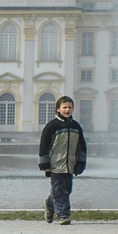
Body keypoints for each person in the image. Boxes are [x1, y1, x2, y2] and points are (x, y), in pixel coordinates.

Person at [38, 96, 87, 225]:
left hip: (70, 164)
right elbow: (44, 146)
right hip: (56, 164)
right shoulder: (52, 126)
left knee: (67, 189)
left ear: (73, 109)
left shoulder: (76, 126)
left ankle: (49, 204)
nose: (67, 110)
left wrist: (81, 162)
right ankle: (63, 215)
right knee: (60, 191)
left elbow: (81, 146)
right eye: (64, 107)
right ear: (58, 109)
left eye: (70, 107)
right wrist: (45, 165)